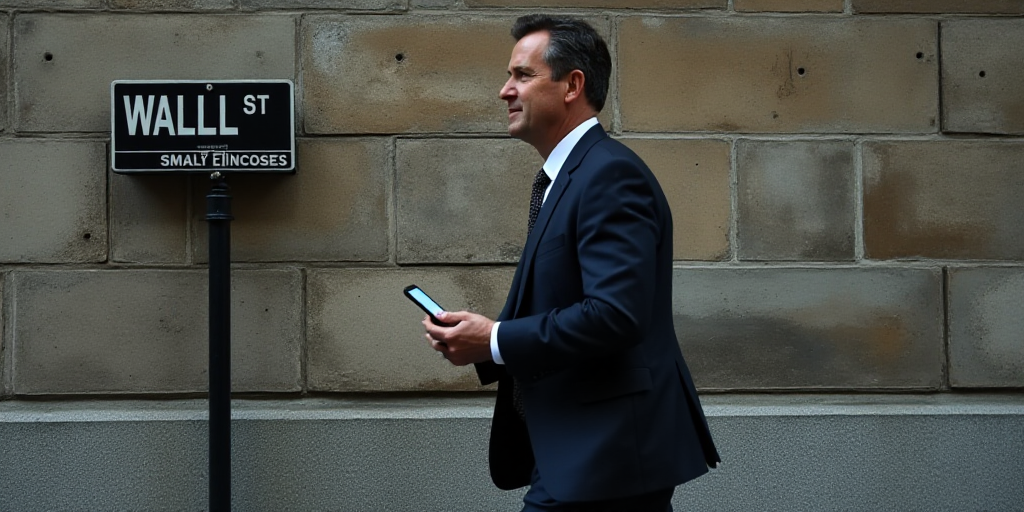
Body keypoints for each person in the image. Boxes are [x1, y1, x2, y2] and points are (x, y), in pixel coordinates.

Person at [422, 14, 720, 512]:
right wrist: (483, 342)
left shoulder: (608, 175)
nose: (504, 91)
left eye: (522, 75)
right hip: (582, 449)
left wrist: (495, 340)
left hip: (607, 452)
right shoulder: (570, 177)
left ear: (572, 85)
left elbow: (614, 315)